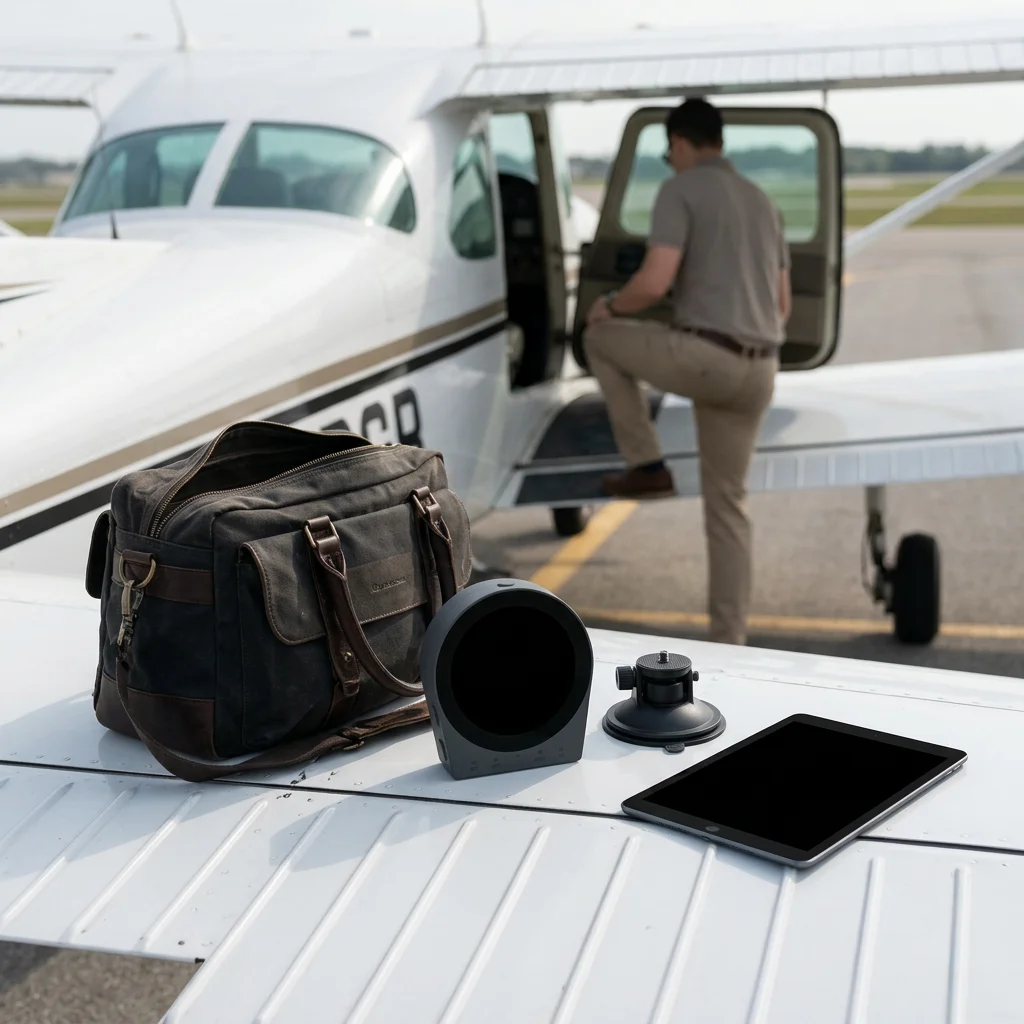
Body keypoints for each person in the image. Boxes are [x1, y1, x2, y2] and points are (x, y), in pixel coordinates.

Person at [582, 97, 791, 646]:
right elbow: (783, 303)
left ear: (678, 143)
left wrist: (610, 304)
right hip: (760, 371)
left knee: (598, 337)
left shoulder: (679, 190)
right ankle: (731, 641)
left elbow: (653, 283)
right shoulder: (763, 201)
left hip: (708, 361)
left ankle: (646, 462)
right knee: (729, 509)